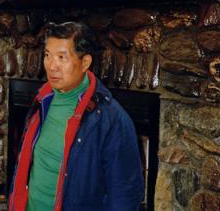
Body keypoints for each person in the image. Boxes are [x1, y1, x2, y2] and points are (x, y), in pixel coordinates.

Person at [9, 22, 143, 211]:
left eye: (62, 57)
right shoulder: (42, 100)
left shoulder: (112, 119)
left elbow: (125, 194)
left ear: (85, 63)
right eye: (48, 55)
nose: (52, 66)